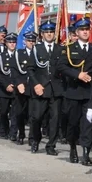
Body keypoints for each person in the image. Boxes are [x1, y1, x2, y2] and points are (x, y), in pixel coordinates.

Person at [58, 18, 92, 165]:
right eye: (82, 30)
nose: (85, 32)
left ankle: (86, 153)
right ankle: (72, 148)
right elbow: (62, 67)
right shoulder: (69, 49)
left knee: (88, 123)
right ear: (76, 32)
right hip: (74, 92)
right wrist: (77, 75)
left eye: (87, 29)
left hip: (90, 93)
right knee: (73, 123)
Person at [29, 24, 64, 154]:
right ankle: (35, 140)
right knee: (37, 117)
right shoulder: (36, 49)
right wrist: (36, 84)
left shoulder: (60, 49)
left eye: (51, 32)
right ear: (42, 34)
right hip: (41, 89)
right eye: (46, 32)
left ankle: (51, 146)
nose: (49, 34)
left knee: (54, 119)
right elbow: (30, 69)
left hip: (55, 89)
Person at [11, 32, 36, 145]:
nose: (31, 43)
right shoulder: (18, 54)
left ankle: (32, 137)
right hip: (21, 88)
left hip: (33, 88)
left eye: (33, 41)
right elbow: (14, 70)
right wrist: (18, 83)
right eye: (29, 41)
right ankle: (21, 133)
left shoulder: (38, 53)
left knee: (33, 114)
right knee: (20, 113)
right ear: (25, 42)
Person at [0, 33, 18, 139]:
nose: (12, 44)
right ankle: (3, 130)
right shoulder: (1, 56)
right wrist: (6, 85)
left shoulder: (19, 55)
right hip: (4, 89)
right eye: (10, 42)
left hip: (16, 88)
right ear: (6, 43)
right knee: (3, 112)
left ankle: (13, 133)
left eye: (14, 42)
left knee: (15, 113)